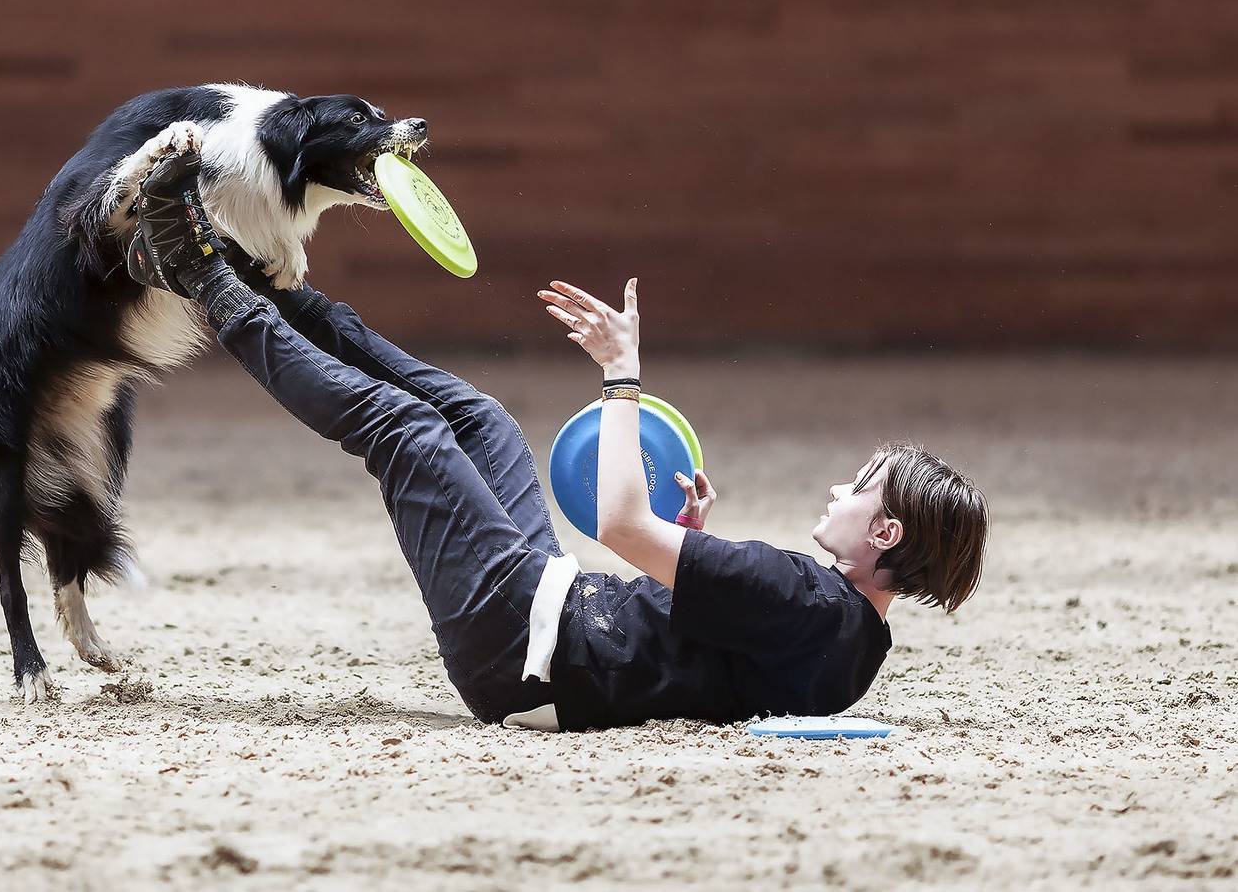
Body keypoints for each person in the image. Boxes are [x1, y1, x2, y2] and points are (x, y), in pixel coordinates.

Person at [125, 150, 990, 731]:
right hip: (551, 622)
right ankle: (281, 292)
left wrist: (623, 375)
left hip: (523, 644)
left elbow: (616, 525)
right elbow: (719, 662)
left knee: (411, 433)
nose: (839, 493)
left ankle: (210, 281)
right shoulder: (852, 647)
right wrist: (690, 547)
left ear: (887, 533)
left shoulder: (802, 594)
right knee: (484, 422)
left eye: (860, 488)